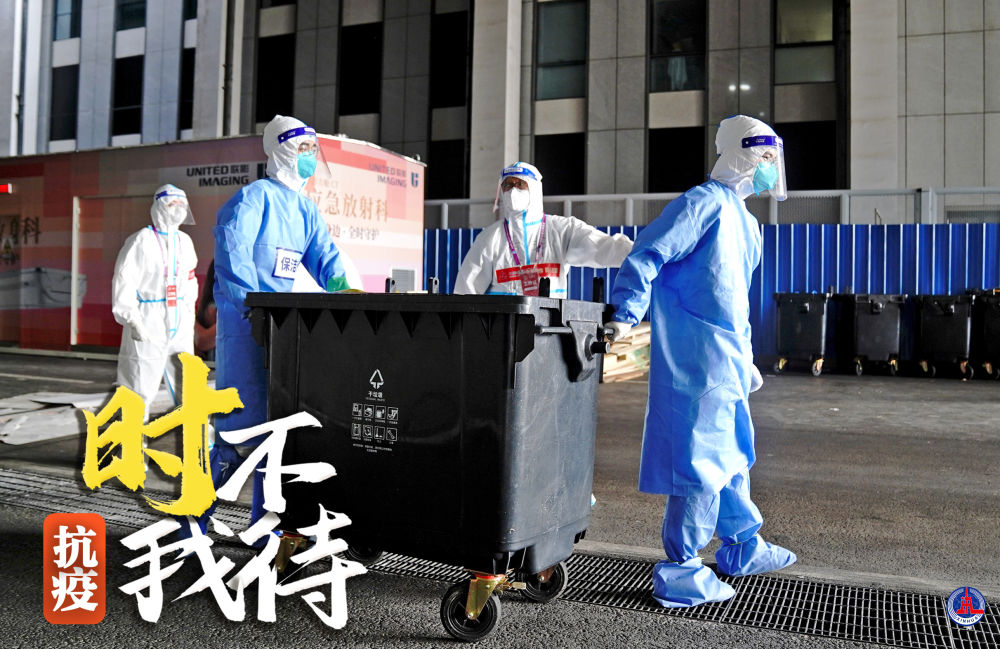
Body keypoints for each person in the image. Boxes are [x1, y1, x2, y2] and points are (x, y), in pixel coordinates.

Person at [604, 115, 795, 608]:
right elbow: (648, 253)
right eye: (765, 157)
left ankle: (742, 545)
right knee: (699, 463)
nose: (770, 168)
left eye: (774, 159)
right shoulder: (702, 204)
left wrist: (746, 358)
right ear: (740, 154)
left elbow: (736, 301)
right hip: (696, 361)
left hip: (727, 360)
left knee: (733, 456)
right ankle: (681, 568)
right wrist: (625, 311)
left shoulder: (747, 224)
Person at [208, 114, 347, 533]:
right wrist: (253, 306)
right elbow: (233, 256)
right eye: (303, 149)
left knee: (275, 439)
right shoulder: (252, 200)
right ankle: (192, 520)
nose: (310, 157)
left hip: (282, 333)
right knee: (236, 434)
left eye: (313, 150)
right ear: (281, 149)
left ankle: (263, 530)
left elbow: (325, 257)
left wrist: (345, 290)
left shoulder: (305, 210)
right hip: (246, 330)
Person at [453, 161, 633, 297]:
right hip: (503, 328)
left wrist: (641, 254)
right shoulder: (490, 238)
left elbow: (603, 247)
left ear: (534, 189)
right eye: (508, 185)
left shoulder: (563, 230)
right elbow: (466, 289)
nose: (513, 191)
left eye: (520, 184)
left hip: (550, 326)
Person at [111, 184, 198, 420]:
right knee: (139, 381)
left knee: (187, 380)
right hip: (148, 317)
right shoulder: (141, 240)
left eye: (182, 205)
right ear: (159, 207)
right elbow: (124, 280)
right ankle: (133, 439)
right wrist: (132, 319)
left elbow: (190, 281)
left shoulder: (185, 241)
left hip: (179, 318)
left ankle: (197, 436)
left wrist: (189, 314)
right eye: (172, 204)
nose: (178, 210)